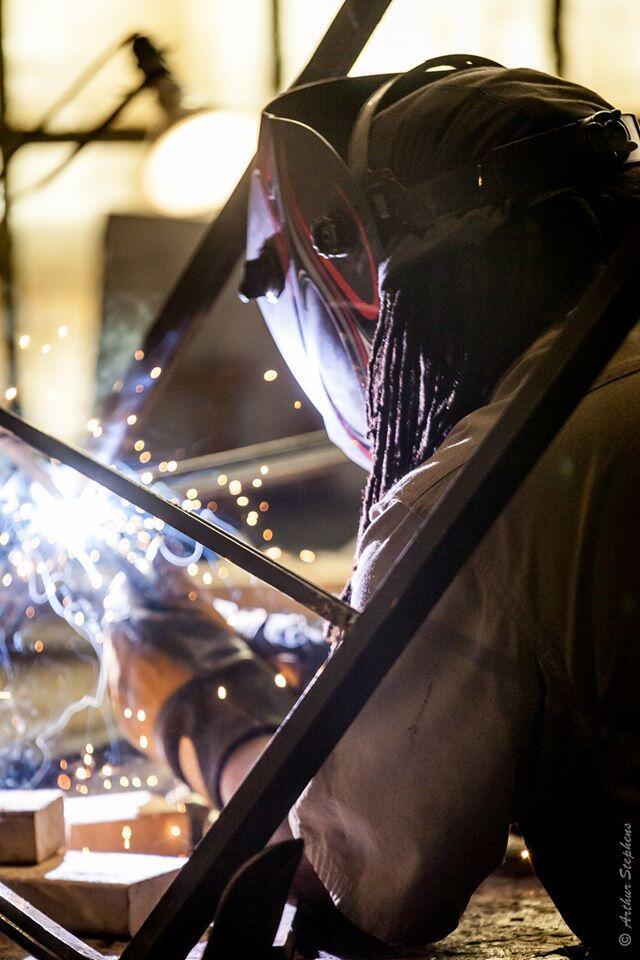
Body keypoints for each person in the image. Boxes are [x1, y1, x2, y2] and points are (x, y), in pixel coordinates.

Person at [108, 57, 640, 959]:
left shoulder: (479, 499)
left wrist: (198, 710)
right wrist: (267, 604)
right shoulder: (594, 423)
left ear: (362, 285)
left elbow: (342, 909)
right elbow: (536, 615)